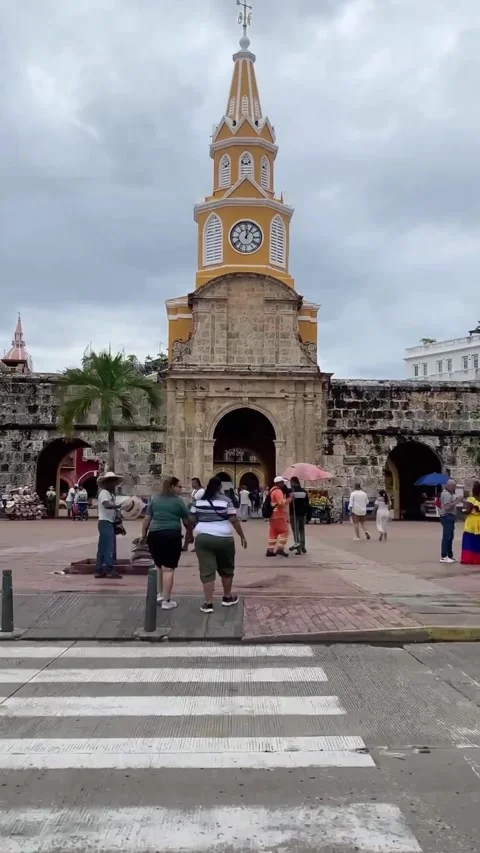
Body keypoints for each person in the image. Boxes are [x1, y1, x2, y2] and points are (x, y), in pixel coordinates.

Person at [190, 476, 247, 613]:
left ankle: (208, 603)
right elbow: (233, 520)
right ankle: (227, 598)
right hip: (224, 538)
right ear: (220, 487)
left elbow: (191, 519)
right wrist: (242, 536)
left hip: (203, 538)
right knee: (227, 568)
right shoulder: (226, 501)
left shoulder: (198, 501)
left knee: (206, 570)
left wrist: (196, 529)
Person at [142, 476, 192, 610]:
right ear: (172, 487)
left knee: (158, 565)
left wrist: (143, 535)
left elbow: (147, 519)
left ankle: (159, 594)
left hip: (154, 534)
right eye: (179, 486)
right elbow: (187, 521)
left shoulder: (154, 499)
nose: (181, 489)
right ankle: (166, 600)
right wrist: (190, 534)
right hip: (171, 535)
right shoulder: (179, 501)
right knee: (169, 568)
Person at [95, 471, 130, 579]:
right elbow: (107, 505)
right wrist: (117, 506)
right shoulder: (104, 493)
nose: (113, 484)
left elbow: (113, 511)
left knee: (103, 547)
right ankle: (110, 570)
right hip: (105, 522)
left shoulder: (111, 494)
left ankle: (99, 569)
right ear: (106, 483)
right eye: (111, 482)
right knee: (108, 547)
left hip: (108, 522)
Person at [266, 476, 292, 557]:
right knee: (285, 531)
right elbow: (281, 503)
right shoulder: (278, 491)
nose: (284, 484)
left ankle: (270, 550)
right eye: (282, 482)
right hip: (279, 516)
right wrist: (290, 499)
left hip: (272, 516)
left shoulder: (272, 490)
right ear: (279, 483)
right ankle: (280, 549)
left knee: (273, 533)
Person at [288, 476, 311, 554]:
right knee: (301, 530)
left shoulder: (291, 492)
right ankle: (303, 545)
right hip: (302, 513)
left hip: (293, 513)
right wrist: (308, 515)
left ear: (293, 482)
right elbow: (308, 504)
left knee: (295, 530)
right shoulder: (304, 491)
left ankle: (298, 548)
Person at [461, 481, 480, 565]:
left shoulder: (471, 499)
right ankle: (477, 559)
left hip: (471, 521)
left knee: (469, 539)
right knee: (477, 540)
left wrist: (463, 511)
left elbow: (468, 510)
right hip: (479, 521)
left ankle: (468, 559)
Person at [439, 478, 458, 563]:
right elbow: (446, 507)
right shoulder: (446, 494)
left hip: (450, 516)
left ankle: (449, 555)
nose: (455, 488)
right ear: (450, 486)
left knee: (450, 536)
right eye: (454, 486)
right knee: (447, 536)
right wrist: (456, 502)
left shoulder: (450, 493)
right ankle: (444, 556)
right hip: (447, 516)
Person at [182, 477, 203, 551]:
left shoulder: (201, 491)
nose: (192, 484)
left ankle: (192, 545)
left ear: (197, 483)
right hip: (192, 511)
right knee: (188, 525)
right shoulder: (194, 491)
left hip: (198, 512)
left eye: (193, 483)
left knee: (197, 529)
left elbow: (196, 501)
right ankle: (187, 542)